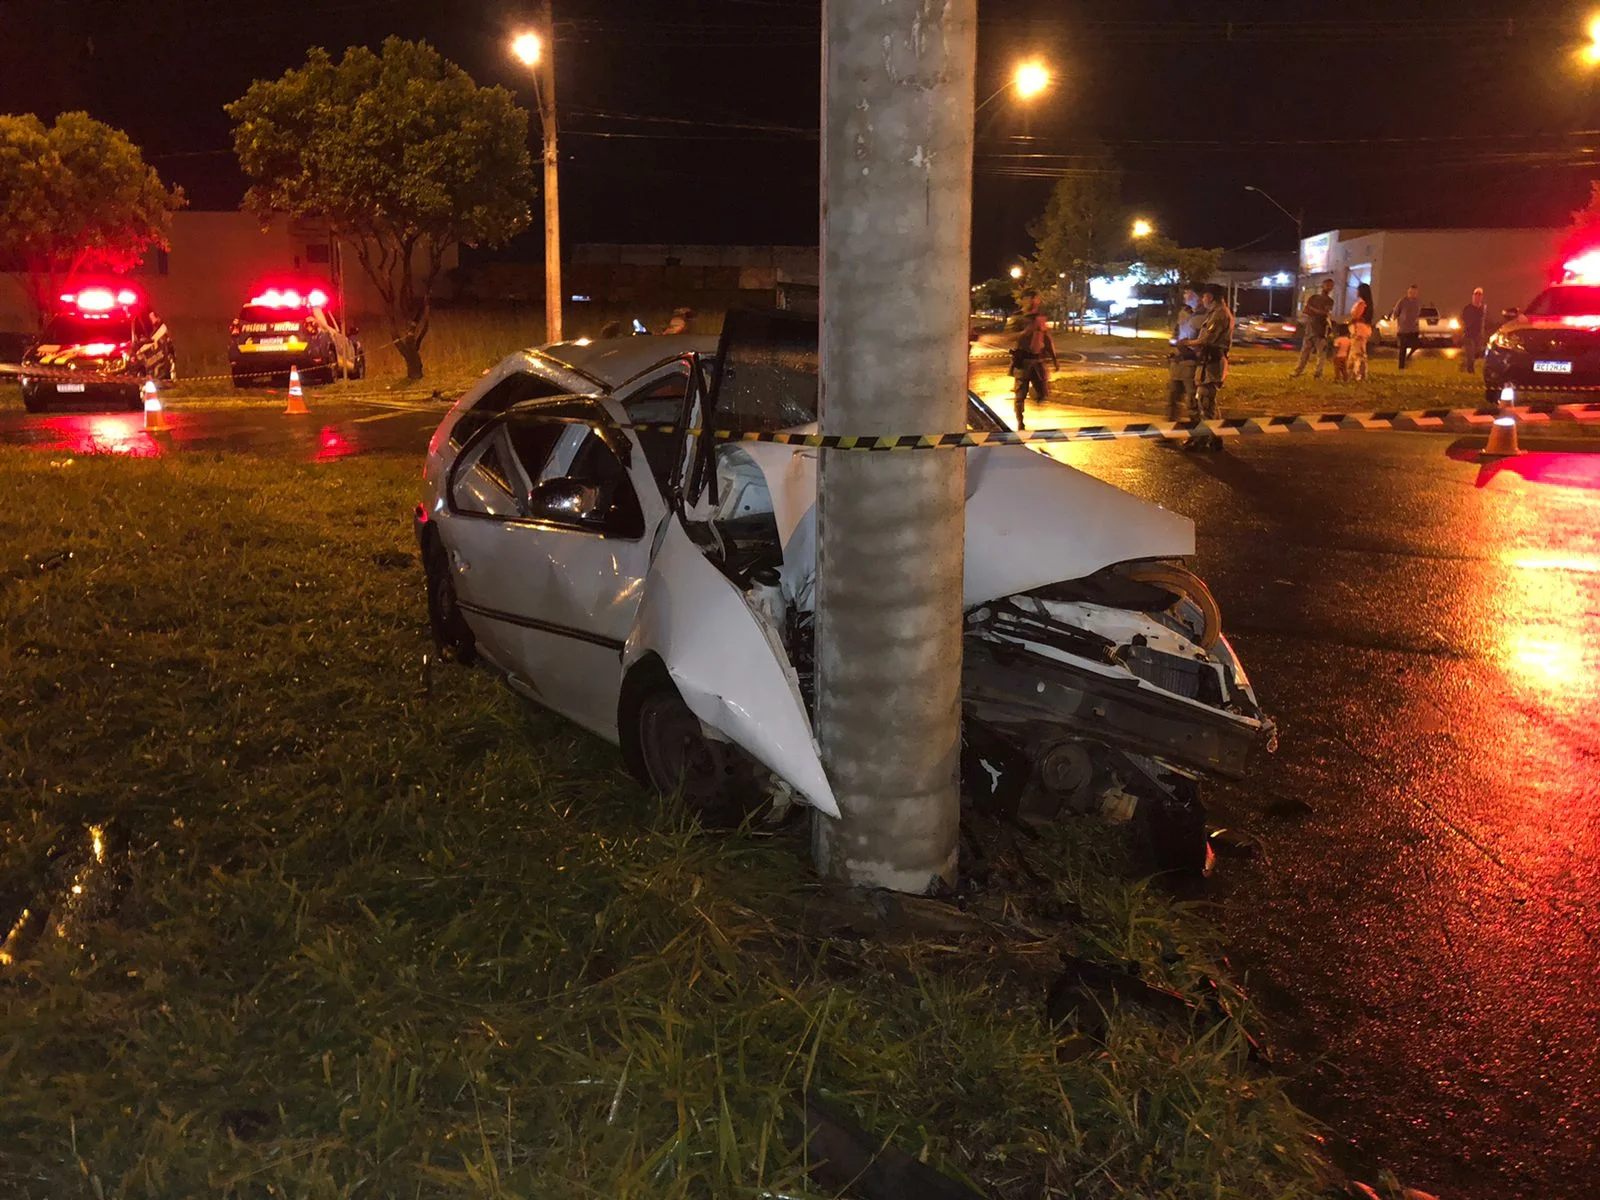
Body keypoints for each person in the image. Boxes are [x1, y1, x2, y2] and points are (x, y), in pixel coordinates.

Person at [1182, 283, 1233, 450]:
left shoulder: (1219, 314)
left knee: (1205, 401)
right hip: (1208, 363)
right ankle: (1215, 439)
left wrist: (1187, 343)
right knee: (1208, 402)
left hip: (1212, 364)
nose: (1202, 299)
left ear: (1210, 297)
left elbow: (1207, 340)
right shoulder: (1215, 313)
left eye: (1204, 296)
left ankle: (1205, 439)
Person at [1011, 311, 1059, 430]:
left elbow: (1048, 345)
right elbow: (1016, 347)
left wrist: (1055, 361)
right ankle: (1020, 421)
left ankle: (1038, 400)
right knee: (1020, 395)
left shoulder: (1041, 333)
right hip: (1023, 364)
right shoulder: (1023, 333)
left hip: (1035, 364)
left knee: (1042, 391)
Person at [1165, 284, 1205, 420]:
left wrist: (1192, 347)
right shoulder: (1183, 313)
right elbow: (1176, 332)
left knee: (1193, 400)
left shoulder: (1206, 316)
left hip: (1192, 363)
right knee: (1172, 399)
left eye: (1189, 293)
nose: (1185, 295)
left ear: (1199, 297)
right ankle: (1169, 433)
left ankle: (1197, 434)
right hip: (1177, 362)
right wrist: (1174, 343)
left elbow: (1206, 340)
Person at [1291, 278, 1336, 378]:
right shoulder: (1314, 297)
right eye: (1327, 285)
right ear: (1322, 286)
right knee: (1305, 352)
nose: (1329, 287)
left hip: (1321, 330)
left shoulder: (1329, 301)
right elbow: (1306, 310)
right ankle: (1297, 371)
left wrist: (1313, 310)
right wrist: (1316, 311)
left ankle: (1318, 373)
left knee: (1321, 353)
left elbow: (1324, 313)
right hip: (1310, 328)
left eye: (1331, 286)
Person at [1348, 281, 1375, 382]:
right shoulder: (1368, 304)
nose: (1356, 292)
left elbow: (1356, 316)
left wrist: (1351, 321)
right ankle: (1351, 373)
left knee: (1358, 353)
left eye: (1358, 290)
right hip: (1364, 329)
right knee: (1356, 352)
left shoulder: (1361, 303)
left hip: (1359, 329)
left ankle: (1359, 375)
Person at [1391, 284, 1422, 369]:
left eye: (1415, 292)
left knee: (1416, 344)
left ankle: (1408, 358)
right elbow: (1396, 312)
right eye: (1411, 292)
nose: (1413, 294)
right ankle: (1401, 366)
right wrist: (1396, 320)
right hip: (1403, 329)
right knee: (1403, 348)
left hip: (1414, 328)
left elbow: (1418, 314)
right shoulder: (1402, 301)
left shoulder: (1417, 302)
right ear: (1408, 292)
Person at [1458, 286, 1487, 374]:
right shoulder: (1468, 308)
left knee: (1477, 353)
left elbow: (1485, 322)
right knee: (1470, 355)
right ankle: (1471, 372)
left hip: (1478, 336)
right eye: (1476, 294)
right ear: (1473, 296)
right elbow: (1463, 321)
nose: (1477, 296)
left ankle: (1462, 365)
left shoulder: (1483, 309)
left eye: (1480, 295)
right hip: (1468, 335)